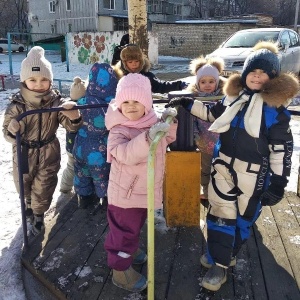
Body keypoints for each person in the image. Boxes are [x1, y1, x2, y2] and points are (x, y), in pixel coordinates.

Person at [166, 41, 299, 291]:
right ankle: (220, 261)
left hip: (254, 175)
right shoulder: (232, 99)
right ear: (245, 74)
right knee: (219, 214)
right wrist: (186, 104)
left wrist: (279, 184)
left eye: (263, 74)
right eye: (253, 72)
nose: (257, 77)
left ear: (272, 79)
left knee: (242, 220)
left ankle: (224, 257)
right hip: (223, 166)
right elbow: (211, 115)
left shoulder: (276, 113)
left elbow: (281, 152)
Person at [104, 73, 178, 292]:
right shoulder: (118, 128)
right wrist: (147, 138)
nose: (131, 106)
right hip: (124, 196)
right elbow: (124, 154)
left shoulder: (150, 122)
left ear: (146, 102)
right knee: (123, 233)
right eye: (125, 102)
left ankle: (131, 251)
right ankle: (120, 272)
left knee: (133, 228)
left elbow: (164, 140)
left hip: (142, 191)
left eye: (137, 101)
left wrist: (169, 123)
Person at [2, 46, 83, 235]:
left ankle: (38, 214)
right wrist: (13, 130)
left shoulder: (56, 103)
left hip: (48, 150)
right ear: (24, 81)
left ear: (50, 80)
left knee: (45, 185)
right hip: (23, 153)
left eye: (44, 79)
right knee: (24, 184)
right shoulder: (17, 105)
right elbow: (7, 133)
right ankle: (28, 206)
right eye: (33, 79)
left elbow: (71, 126)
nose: (38, 84)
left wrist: (73, 116)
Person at [73, 62, 118, 209]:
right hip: (100, 151)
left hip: (80, 148)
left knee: (82, 173)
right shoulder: (111, 107)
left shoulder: (83, 101)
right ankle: (105, 201)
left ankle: (85, 199)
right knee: (102, 177)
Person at [186, 56, 226, 200]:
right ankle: (207, 193)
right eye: (203, 82)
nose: (207, 85)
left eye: (211, 81)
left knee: (222, 170)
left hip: (222, 143)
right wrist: (194, 135)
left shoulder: (223, 98)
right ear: (197, 83)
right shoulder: (195, 99)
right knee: (205, 170)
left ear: (217, 82)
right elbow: (192, 119)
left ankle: (220, 195)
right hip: (203, 143)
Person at [113, 44, 188, 93]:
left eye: (137, 61)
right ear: (124, 63)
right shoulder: (119, 78)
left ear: (141, 61)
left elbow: (161, 85)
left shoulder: (147, 76)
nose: (134, 64)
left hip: (146, 113)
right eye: (130, 62)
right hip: (125, 112)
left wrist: (178, 85)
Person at [59, 76, 87, 194]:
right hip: (79, 144)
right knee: (74, 167)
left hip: (71, 144)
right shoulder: (85, 107)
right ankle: (67, 187)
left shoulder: (67, 107)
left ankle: (65, 187)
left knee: (71, 167)